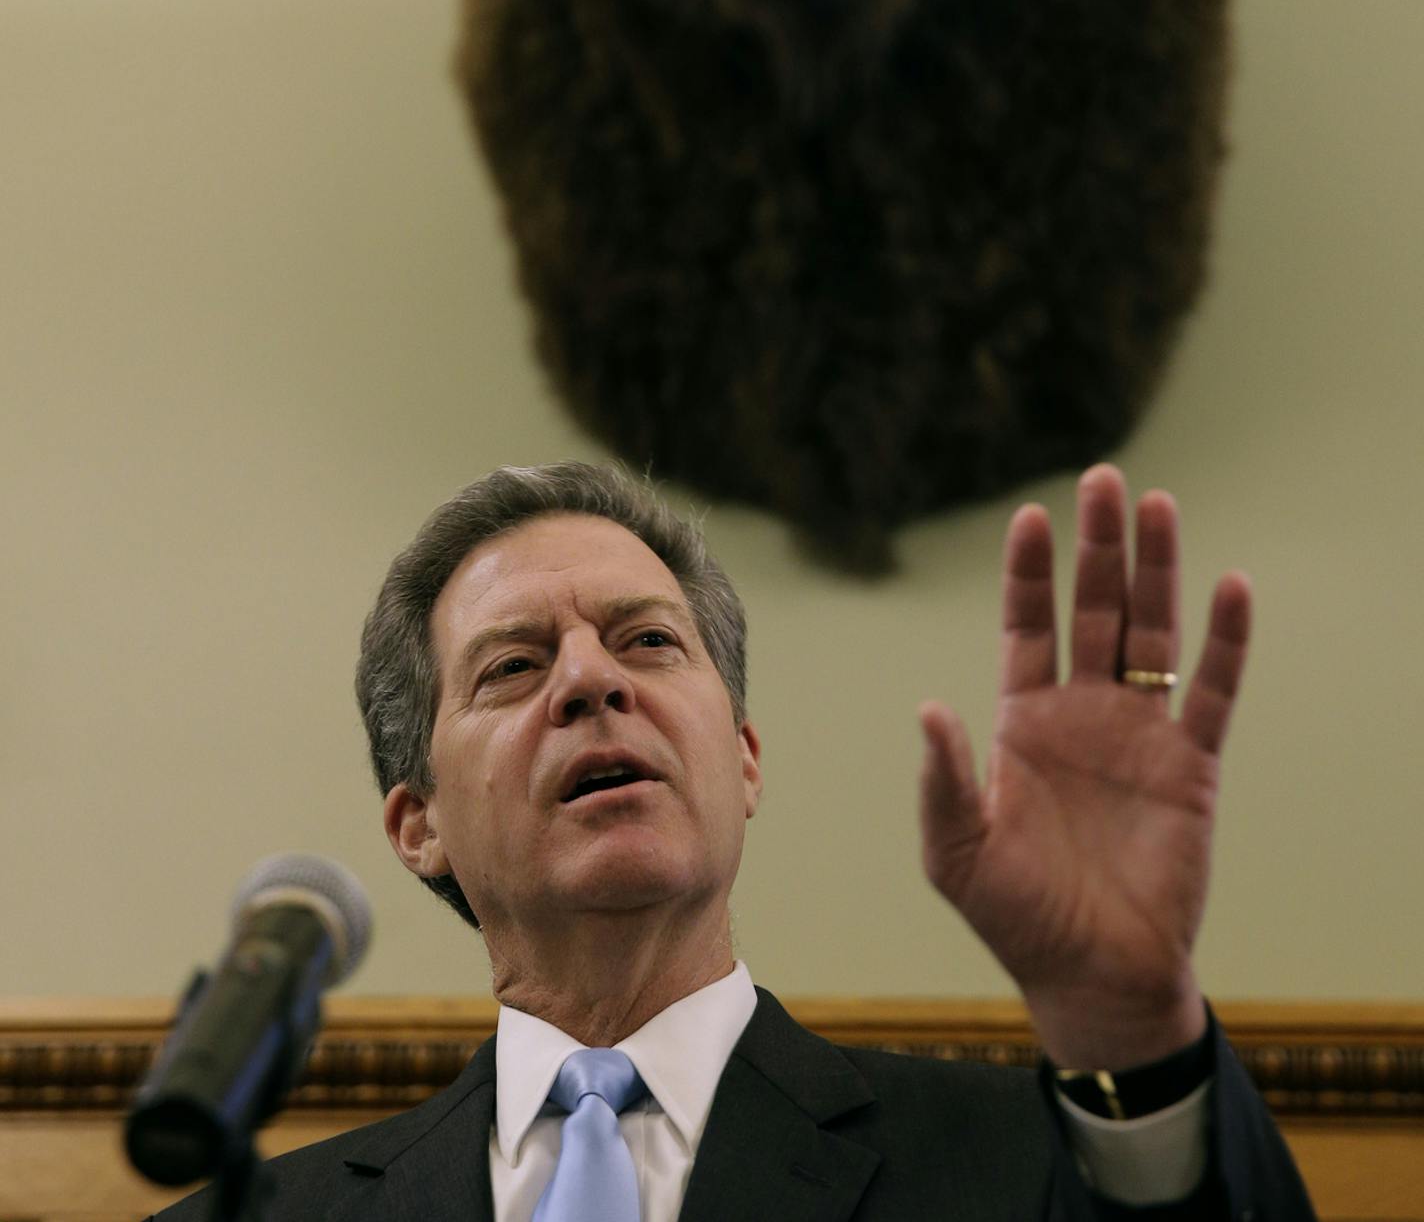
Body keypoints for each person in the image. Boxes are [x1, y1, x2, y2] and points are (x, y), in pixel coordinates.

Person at [171, 459, 1317, 1218]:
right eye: (514, 666)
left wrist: (1128, 1024)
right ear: (416, 825)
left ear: (744, 758)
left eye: (649, 642)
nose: (588, 680)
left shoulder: (1019, 1168)